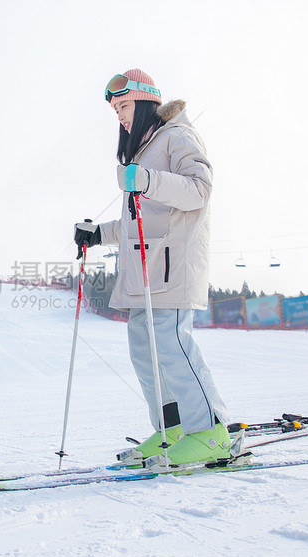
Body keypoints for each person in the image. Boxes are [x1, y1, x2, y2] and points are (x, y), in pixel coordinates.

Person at [74, 69, 231, 467]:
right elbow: (136, 221)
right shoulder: (145, 148)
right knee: (145, 348)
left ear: (144, 102)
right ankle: (172, 429)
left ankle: (211, 432)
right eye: (115, 109)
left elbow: (199, 190)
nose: (120, 116)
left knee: (172, 344)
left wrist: (147, 179)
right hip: (146, 272)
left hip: (174, 265)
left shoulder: (176, 136)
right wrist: (97, 234)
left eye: (124, 106)